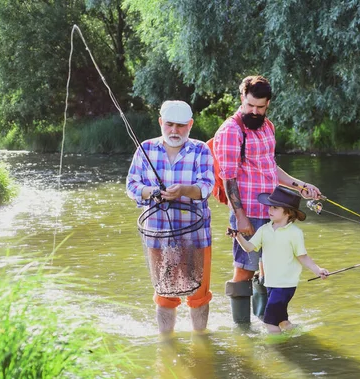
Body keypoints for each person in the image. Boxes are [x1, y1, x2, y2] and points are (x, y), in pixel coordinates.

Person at [213, 75, 322, 324]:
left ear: (268, 104)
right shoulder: (230, 131)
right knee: (244, 268)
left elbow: (270, 168)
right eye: (250, 105)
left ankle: (267, 321)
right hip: (247, 211)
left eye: (260, 107)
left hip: (275, 212)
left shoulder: (268, 126)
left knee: (271, 269)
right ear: (242, 98)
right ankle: (242, 330)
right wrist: (240, 217)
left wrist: (300, 186)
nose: (254, 111)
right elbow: (228, 178)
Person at [126, 100, 215, 334]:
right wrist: (153, 192)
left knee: (199, 295)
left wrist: (183, 190)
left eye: (181, 125)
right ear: (160, 123)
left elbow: (206, 187)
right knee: (164, 295)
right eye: (169, 125)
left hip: (196, 235)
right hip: (157, 236)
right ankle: (166, 343)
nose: (175, 131)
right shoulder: (145, 148)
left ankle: (200, 340)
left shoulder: (201, 150)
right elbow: (132, 186)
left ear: (190, 125)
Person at [227, 185, 329, 333]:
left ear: (287, 212)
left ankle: (276, 349)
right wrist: (238, 236)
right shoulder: (264, 230)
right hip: (271, 284)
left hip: (285, 285)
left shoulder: (295, 233)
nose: (269, 210)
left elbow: (303, 257)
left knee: (269, 323)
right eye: (270, 207)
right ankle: (296, 334)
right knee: (282, 321)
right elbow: (249, 247)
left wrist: (318, 270)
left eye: (275, 208)